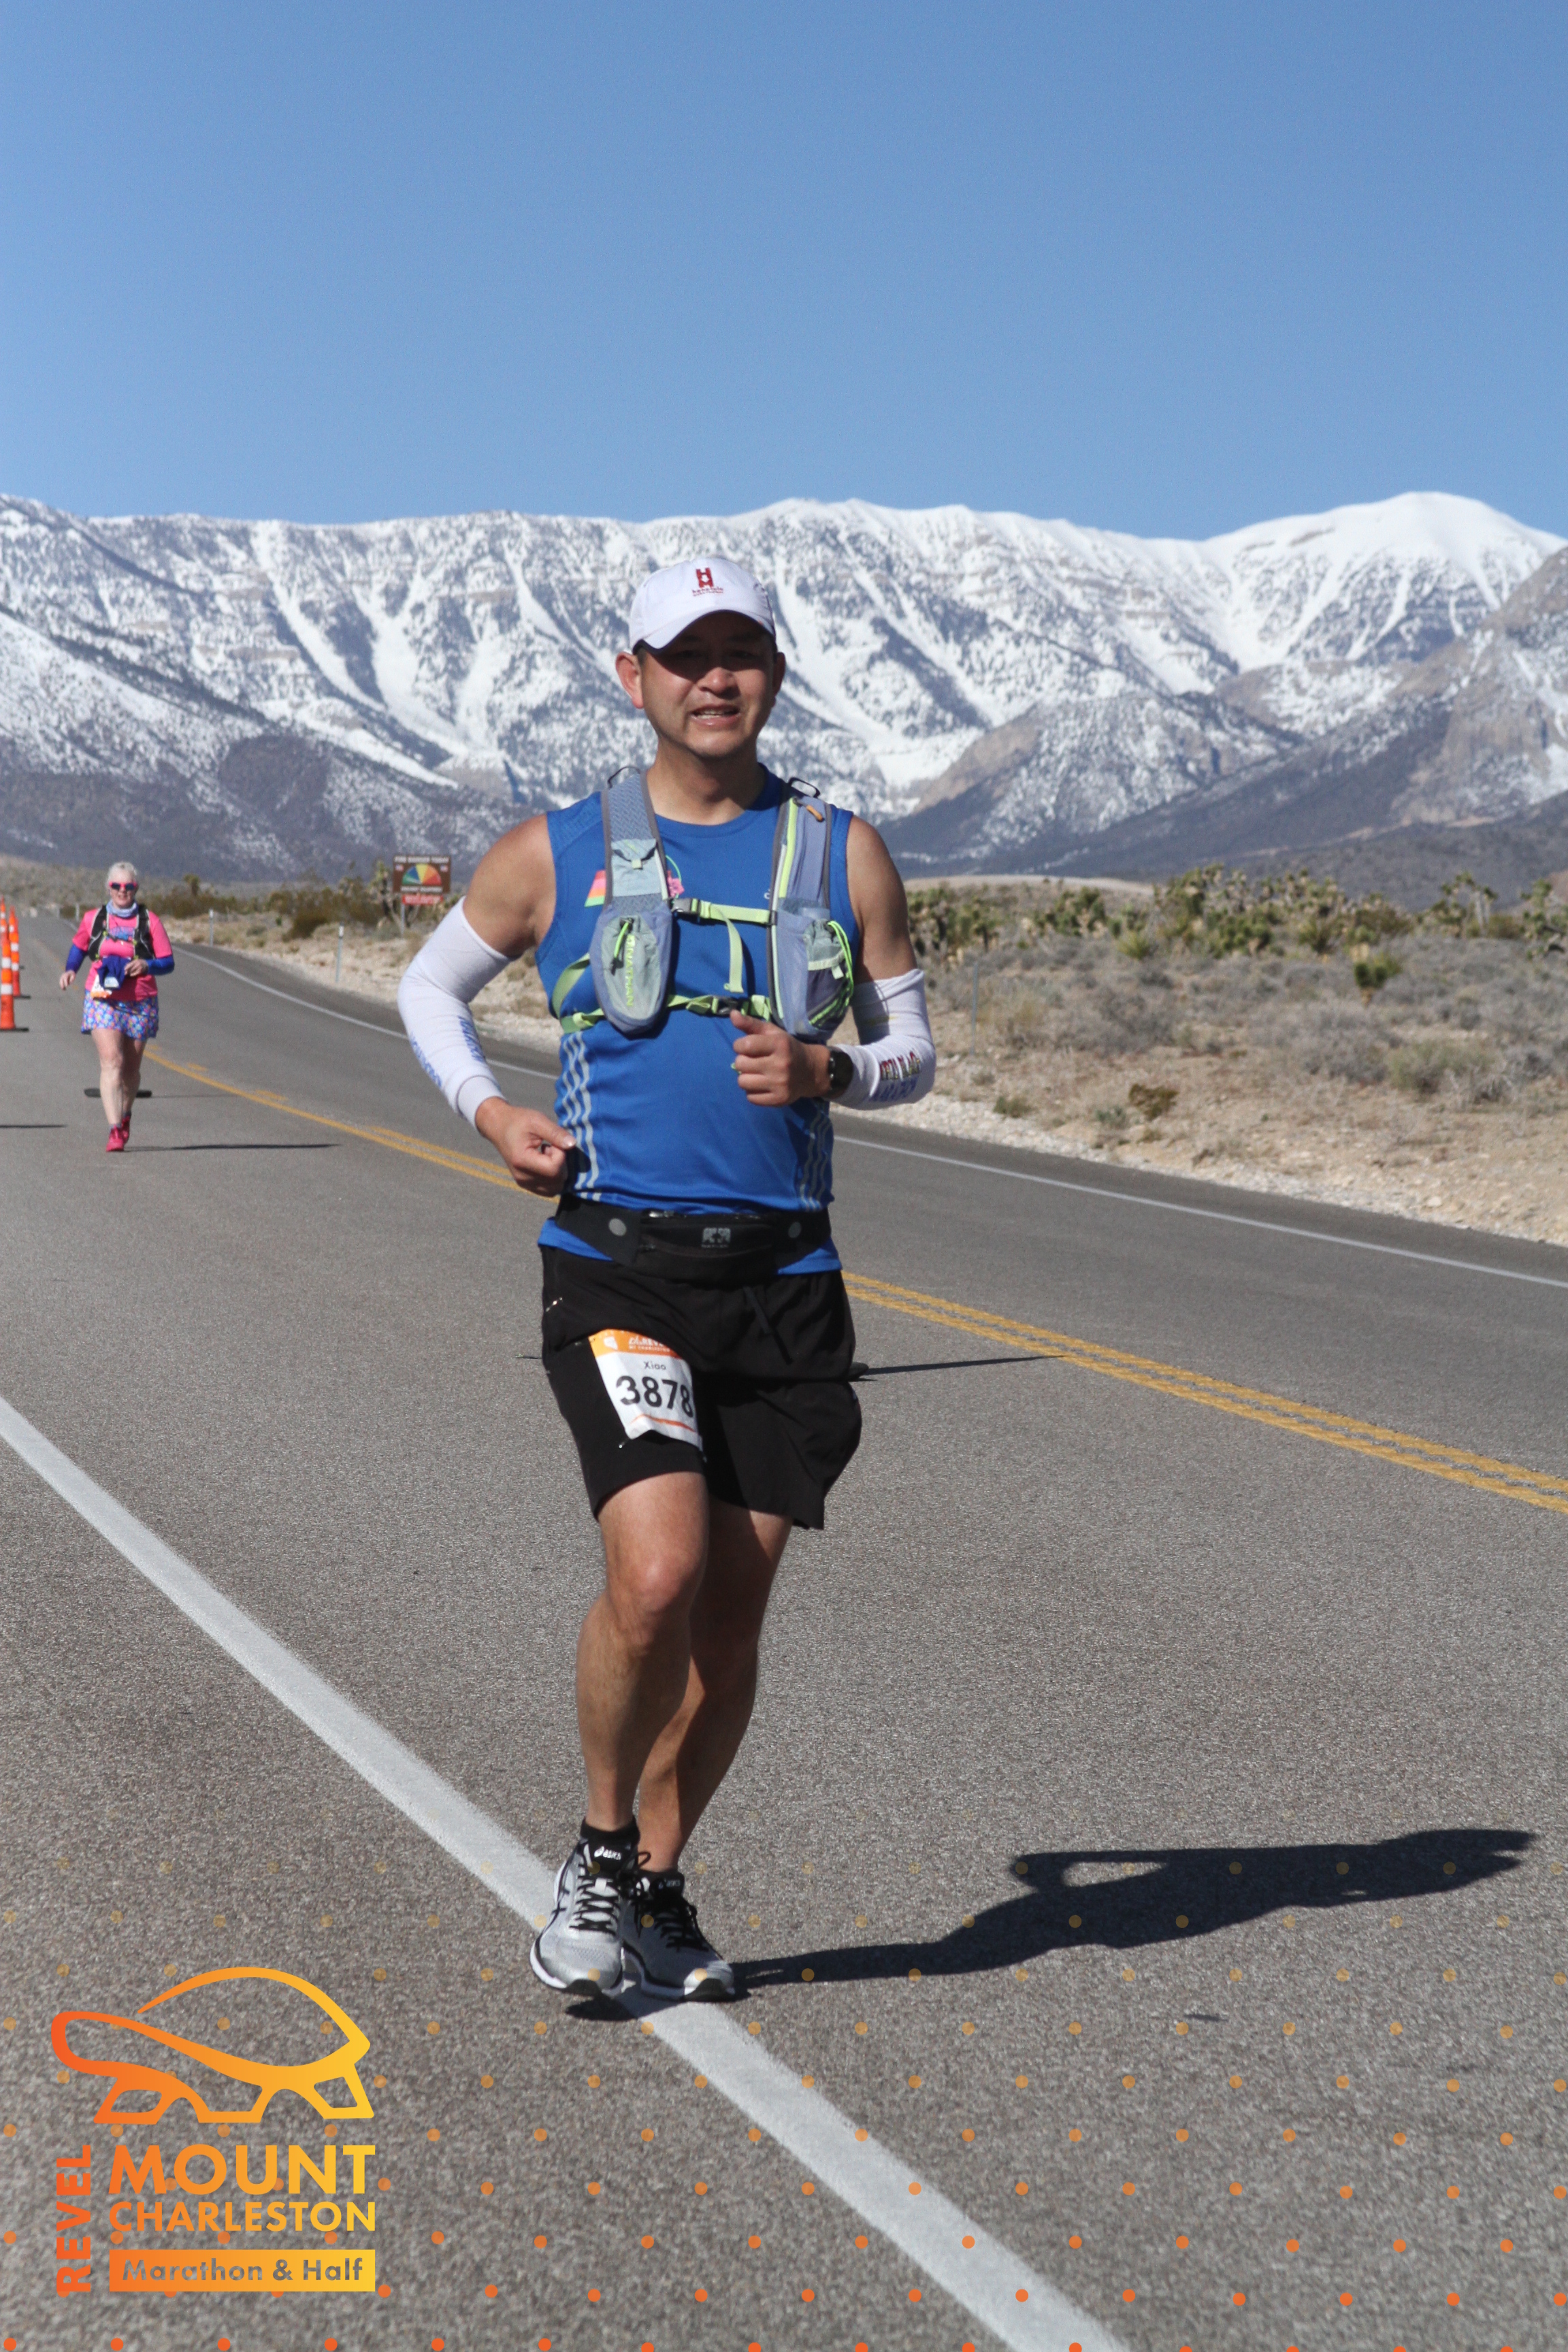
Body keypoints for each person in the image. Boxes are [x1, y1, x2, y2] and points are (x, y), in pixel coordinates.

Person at [398, 557, 936, 2002]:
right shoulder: (555, 850)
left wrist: (835, 1071)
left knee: (730, 1619)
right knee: (657, 1575)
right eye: (685, 655)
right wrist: (488, 1111)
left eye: (739, 652)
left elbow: (912, 1053)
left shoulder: (844, 855)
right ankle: (594, 1854)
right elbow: (428, 987)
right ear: (631, 675)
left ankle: (656, 1877)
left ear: (774, 672)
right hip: (617, 1266)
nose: (716, 679)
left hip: (784, 1282)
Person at [61, 862, 174, 1152]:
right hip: (102, 997)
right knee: (112, 1061)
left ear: (136, 888)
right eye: (117, 886)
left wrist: (147, 965)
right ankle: (114, 1130)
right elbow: (80, 947)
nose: (122, 891)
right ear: (108, 888)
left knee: (131, 1071)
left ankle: (125, 1116)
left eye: (128, 887)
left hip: (140, 1000)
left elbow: (168, 962)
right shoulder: (94, 919)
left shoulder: (150, 921)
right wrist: (71, 969)